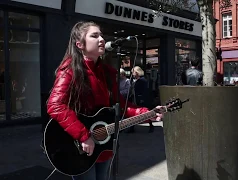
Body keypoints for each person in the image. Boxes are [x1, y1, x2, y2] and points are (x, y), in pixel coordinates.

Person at [46, 21, 164, 180]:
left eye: (101, 35)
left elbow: (121, 106)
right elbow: (55, 105)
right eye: (94, 36)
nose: (101, 39)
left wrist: (146, 113)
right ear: (79, 44)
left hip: (104, 143)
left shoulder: (108, 73)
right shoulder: (70, 70)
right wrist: (83, 135)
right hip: (80, 145)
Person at [128, 66, 154, 133]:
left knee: (144, 112)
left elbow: (145, 90)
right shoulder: (135, 80)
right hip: (135, 98)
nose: (132, 74)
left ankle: (151, 125)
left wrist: (142, 98)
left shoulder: (142, 80)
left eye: (133, 72)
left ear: (136, 72)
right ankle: (132, 128)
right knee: (133, 113)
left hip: (140, 99)